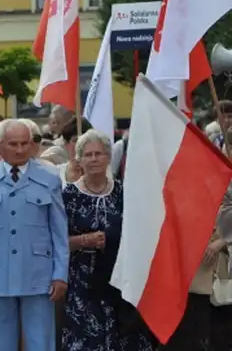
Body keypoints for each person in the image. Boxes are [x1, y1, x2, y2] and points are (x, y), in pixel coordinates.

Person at [0, 118, 69, 351]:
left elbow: (59, 232)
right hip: (0, 274)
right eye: (13, 144)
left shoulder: (49, 179)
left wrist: (60, 274)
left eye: (24, 143)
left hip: (38, 274)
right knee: (2, 345)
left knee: (41, 343)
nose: (20, 150)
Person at [61, 130, 155, 351]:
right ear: (79, 160)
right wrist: (83, 240)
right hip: (83, 285)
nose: (93, 159)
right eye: (88, 154)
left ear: (108, 157)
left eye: (99, 154)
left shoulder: (124, 192)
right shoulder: (68, 195)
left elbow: (141, 232)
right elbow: (55, 242)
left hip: (122, 283)